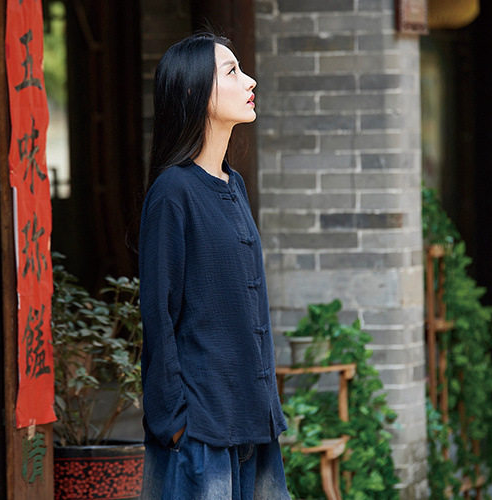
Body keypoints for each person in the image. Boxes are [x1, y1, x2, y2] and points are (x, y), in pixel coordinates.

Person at [138, 32, 291, 500]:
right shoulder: (172, 192)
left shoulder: (233, 184)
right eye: (232, 71)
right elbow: (158, 315)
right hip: (201, 433)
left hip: (253, 424)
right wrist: (175, 424)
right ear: (193, 91)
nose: (250, 81)